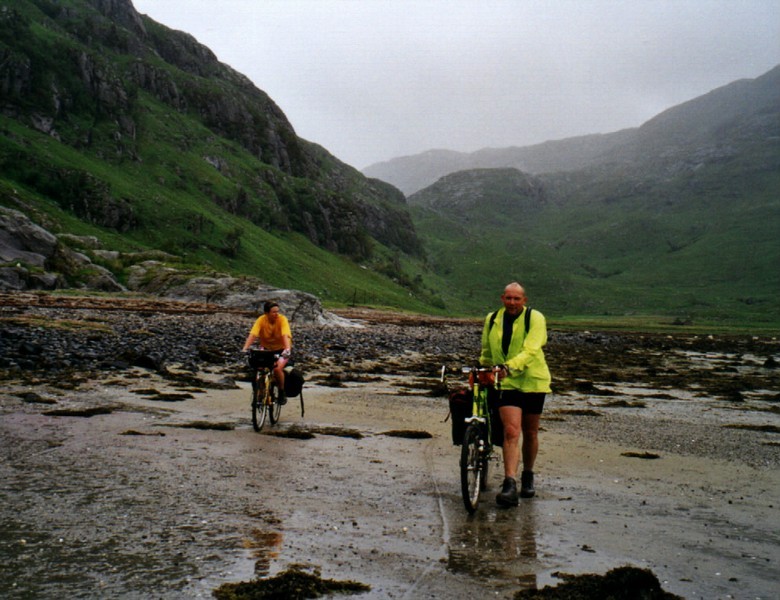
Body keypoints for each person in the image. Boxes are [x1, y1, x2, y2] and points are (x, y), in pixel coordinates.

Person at [480, 282, 551, 507]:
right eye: (508, 298)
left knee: (530, 433)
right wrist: (484, 369)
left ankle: (527, 475)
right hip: (506, 382)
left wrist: (509, 366)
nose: (512, 303)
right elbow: (487, 351)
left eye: (516, 299)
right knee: (511, 431)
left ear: (524, 300)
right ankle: (509, 483)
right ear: (502, 298)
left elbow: (531, 349)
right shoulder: (492, 319)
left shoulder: (535, 318)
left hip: (533, 381)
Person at [242, 301, 292, 404]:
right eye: (273, 312)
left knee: (277, 369)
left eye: (277, 311)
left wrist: (287, 350)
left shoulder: (282, 319)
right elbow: (253, 335)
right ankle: (260, 391)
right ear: (266, 313)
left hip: (281, 349)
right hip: (266, 348)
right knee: (259, 367)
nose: (276, 314)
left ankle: (282, 392)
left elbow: (285, 335)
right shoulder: (261, 320)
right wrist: (245, 348)